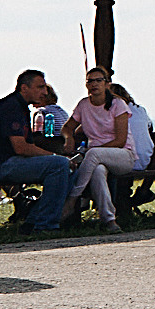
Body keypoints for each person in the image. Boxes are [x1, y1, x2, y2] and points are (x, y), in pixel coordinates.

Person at [0, 69, 75, 233]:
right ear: (24, 88)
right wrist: (55, 156)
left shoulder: (21, 107)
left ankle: (34, 219)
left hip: (6, 161)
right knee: (59, 165)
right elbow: (21, 147)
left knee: (70, 167)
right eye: (40, 87)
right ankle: (45, 225)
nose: (45, 92)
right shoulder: (11, 107)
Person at [61, 66, 135, 233]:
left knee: (93, 154)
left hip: (122, 155)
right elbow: (67, 127)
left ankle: (72, 200)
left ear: (107, 84)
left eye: (98, 80)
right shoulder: (83, 105)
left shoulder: (118, 104)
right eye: (90, 81)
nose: (94, 84)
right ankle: (109, 220)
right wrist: (69, 138)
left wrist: (93, 152)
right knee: (98, 172)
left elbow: (120, 141)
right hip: (96, 159)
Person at [112, 83, 155, 212]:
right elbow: (150, 129)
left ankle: (117, 208)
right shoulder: (141, 110)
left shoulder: (116, 112)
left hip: (129, 161)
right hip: (147, 159)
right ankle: (143, 196)